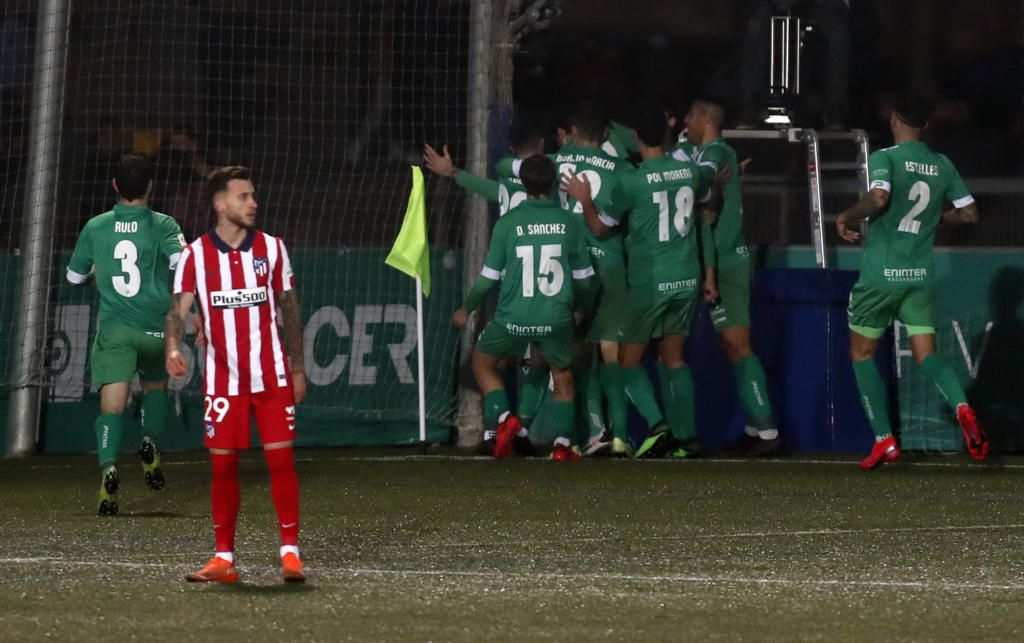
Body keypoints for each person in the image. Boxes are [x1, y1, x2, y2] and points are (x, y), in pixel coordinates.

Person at [165, 166, 307, 582]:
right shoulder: (195, 255)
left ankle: (290, 553)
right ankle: (224, 558)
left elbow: (290, 309)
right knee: (223, 468)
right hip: (223, 381)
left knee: (281, 461)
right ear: (220, 204)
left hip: (272, 375)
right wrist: (173, 347)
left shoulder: (273, 248)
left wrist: (297, 368)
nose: (253, 203)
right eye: (244, 196)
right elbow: (177, 309)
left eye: (253, 195)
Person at [836, 93, 989, 469]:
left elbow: (878, 200)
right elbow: (969, 213)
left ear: (892, 119)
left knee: (861, 353)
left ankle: (884, 440)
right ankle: (962, 407)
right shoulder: (941, 163)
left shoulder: (885, 157)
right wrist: (940, 219)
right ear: (926, 126)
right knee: (928, 355)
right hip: (919, 277)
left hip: (881, 277)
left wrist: (846, 217)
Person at [566, 103, 725, 458]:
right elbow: (709, 200)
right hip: (686, 276)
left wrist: (585, 200)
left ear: (636, 138)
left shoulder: (632, 181)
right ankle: (688, 439)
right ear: (668, 135)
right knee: (674, 358)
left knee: (625, 361)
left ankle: (660, 428)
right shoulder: (688, 172)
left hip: (649, 279)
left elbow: (599, 228)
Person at [452, 154, 595, 461]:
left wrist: (466, 309)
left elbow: (487, 280)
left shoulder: (507, 223)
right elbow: (584, 281)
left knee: (483, 363)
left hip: (512, 318)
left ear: (525, 185)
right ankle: (562, 445)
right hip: (555, 318)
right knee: (562, 374)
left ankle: (505, 418)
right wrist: (580, 307)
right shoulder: (570, 223)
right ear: (554, 182)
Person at [66, 153, 184, 516]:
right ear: (151, 185)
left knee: (112, 406)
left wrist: (97, 270)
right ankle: (148, 441)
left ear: (114, 186)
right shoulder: (164, 225)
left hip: (116, 329)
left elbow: (74, 278)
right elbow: (183, 264)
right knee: (155, 388)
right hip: (155, 327)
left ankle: (109, 467)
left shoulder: (95, 226)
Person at [685, 98, 782, 456]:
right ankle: (755, 426)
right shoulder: (708, 154)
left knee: (739, 345)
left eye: (691, 115)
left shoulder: (717, 152)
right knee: (731, 347)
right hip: (719, 260)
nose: (686, 121)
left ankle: (769, 433)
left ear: (708, 119)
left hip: (727, 262)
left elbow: (706, 175)